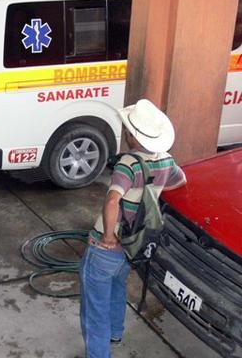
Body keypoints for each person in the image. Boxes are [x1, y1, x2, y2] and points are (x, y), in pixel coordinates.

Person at [79, 99, 187, 358]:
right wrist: (154, 191)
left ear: (132, 135)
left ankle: (98, 354)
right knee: (118, 288)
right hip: (133, 245)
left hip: (107, 248)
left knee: (94, 308)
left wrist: (107, 237)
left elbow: (113, 199)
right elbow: (181, 180)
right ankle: (116, 332)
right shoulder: (165, 160)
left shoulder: (129, 163)